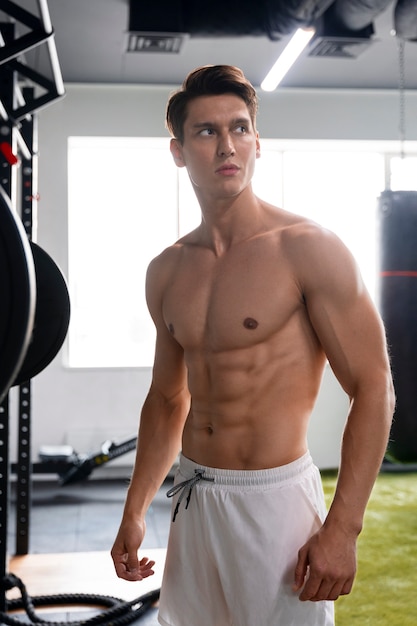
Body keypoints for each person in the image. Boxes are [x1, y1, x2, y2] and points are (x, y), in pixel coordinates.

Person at [111, 65, 395, 626]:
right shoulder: (166, 271)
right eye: (206, 132)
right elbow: (167, 401)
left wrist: (342, 529)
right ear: (178, 151)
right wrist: (135, 508)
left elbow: (373, 387)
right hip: (194, 495)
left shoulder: (308, 249)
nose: (226, 145)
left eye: (239, 128)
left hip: (276, 501)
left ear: (258, 143)